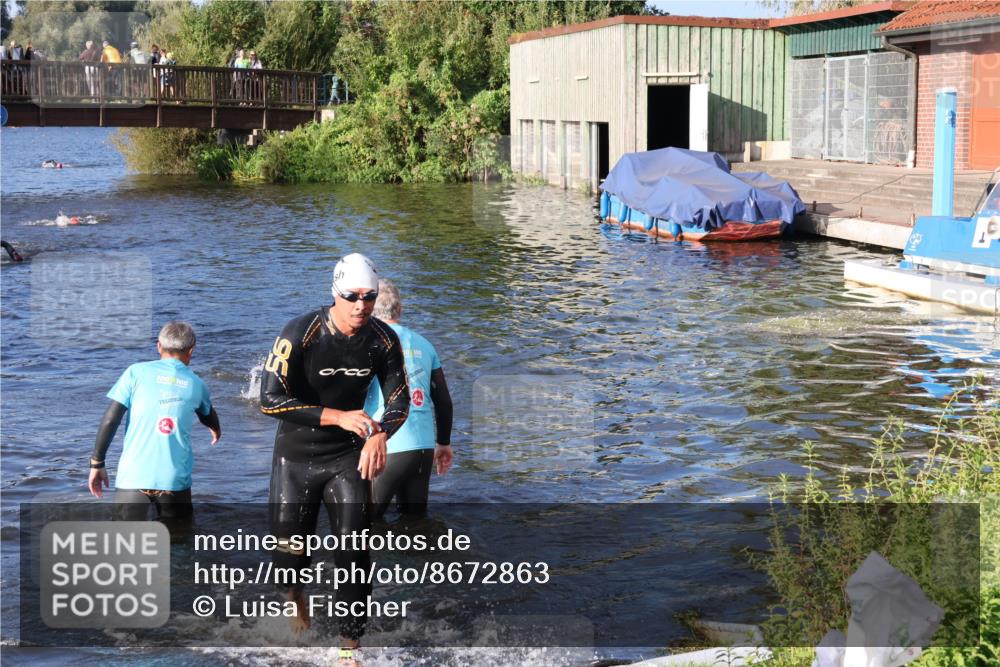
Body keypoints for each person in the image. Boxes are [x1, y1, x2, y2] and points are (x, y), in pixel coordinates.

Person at [259, 253, 409, 654]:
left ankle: (349, 647)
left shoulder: (382, 339)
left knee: (355, 551)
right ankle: (297, 602)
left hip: (346, 459)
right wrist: (338, 416)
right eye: (352, 296)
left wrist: (380, 434)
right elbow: (269, 400)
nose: (361, 305)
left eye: (369, 296)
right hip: (294, 458)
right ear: (335, 293)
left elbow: (399, 401)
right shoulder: (299, 332)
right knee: (290, 558)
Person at [88, 321, 221, 528]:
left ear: (159, 346)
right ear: (191, 351)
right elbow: (208, 414)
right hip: (174, 482)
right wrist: (215, 428)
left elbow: (110, 419)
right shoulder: (197, 384)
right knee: (178, 546)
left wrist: (97, 462)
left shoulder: (135, 372)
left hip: (133, 478)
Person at [364, 280, 453, 519]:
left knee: (363, 523)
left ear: (369, 309)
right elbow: (443, 400)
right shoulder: (425, 344)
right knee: (414, 525)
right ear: (400, 310)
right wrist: (443, 443)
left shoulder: (369, 342)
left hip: (386, 444)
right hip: (423, 448)